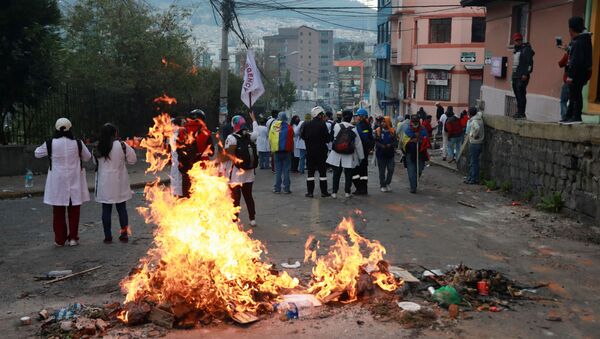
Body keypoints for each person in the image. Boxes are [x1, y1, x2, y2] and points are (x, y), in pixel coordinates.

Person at [34, 118, 92, 246]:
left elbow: (37, 153)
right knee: (74, 210)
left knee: (58, 211)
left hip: (58, 182)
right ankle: (73, 238)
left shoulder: (50, 144)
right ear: (70, 129)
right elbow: (88, 157)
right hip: (74, 180)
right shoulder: (78, 143)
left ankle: (60, 239)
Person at [94, 123, 137, 243]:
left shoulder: (98, 146)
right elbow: (133, 160)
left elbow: (95, 162)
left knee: (106, 209)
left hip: (104, 183)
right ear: (115, 133)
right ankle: (124, 234)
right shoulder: (122, 145)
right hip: (119, 182)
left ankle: (107, 236)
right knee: (121, 208)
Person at [224, 113, 259, 226]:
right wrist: (253, 119)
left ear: (233, 125)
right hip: (249, 173)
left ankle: (234, 220)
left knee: (236, 198)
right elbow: (257, 132)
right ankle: (252, 219)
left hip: (236, 174)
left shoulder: (231, 138)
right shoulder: (250, 136)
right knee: (248, 196)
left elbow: (228, 155)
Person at [562, 16, 593, 125]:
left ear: (571, 29)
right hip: (583, 72)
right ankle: (569, 115)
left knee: (575, 94)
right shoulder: (583, 40)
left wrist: (570, 76)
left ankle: (576, 116)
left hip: (578, 73)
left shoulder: (579, 42)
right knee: (573, 94)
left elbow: (575, 61)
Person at [327, 110, 364, 198]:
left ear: (342, 116)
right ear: (351, 118)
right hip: (349, 155)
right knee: (348, 174)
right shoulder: (354, 128)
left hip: (337, 154)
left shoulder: (336, 126)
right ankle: (347, 192)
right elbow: (358, 144)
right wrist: (361, 156)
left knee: (336, 174)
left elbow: (331, 139)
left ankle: (334, 192)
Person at [178, 109, 214, 198]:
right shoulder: (206, 133)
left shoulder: (182, 131)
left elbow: (177, 149)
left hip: (186, 167)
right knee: (201, 197)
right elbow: (211, 152)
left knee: (187, 195)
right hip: (202, 168)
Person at [301, 106, 331, 198]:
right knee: (322, 173)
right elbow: (327, 139)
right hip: (321, 153)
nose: (323, 116)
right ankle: (324, 192)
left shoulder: (306, 124)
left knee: (310, 173)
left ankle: (310, 192)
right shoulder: (322, 124)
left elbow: (302, 136)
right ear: (319, 115)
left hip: (310, 152)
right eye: (322, 114)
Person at [401, 115, 430, 193]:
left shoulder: (423, 129)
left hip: (421, 154)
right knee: (411, 171)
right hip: (410, 154)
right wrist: (411, 140)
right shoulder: (407, 130)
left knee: (419, 169)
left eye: (416, 122)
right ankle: (413, 187)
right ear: (411, 122)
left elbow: (426, 140)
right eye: (413, 122)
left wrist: (420, 139)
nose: (415, 123)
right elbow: (403, 142)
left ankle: (415, 181)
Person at [269, 112, 294, 194]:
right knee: (286, 170)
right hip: (287, 152)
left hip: (277, 151)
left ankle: (277, 189)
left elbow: (271, 138)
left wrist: (272, 149)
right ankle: (286, 189)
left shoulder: (275, 127)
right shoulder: (289, 127)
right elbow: (292, 139)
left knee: (278, 171)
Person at [511, 32, 535, 119]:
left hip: (522, 76)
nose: (517, 42)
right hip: (515, 76)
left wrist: (526, 73)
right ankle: (519, 112)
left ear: (521, 40)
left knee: (521, 94)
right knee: (517, 95)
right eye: (516, 40)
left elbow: (530, 63)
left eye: (519, 40)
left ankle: (522, 113)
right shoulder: (516, 50)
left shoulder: (526, 49)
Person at [353, 108, 374, 195]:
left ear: (361, 116)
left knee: (357, 170)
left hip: (361, 150)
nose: (356, 117)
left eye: (358, 115)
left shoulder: (363, 125)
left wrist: (367, 148)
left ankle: (360, 188)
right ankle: (363, 189)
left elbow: (365, 138)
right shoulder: (366, 124)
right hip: (364, 150)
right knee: (363, 171)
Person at [375, 116, 397, 192]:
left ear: (388, 122)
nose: (382, 123)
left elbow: (395, 142)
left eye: (384, 122)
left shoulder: (393, 131)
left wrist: (390, 145)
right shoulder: (378, 130)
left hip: (390, 154)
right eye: (382, 122)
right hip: (381, 154)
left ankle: (388, 183)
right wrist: (381, 146)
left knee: (391, 169)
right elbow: (376, 141)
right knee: (382, 171)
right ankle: (382, 185)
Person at [465, 107, 484, 184]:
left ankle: (473, 178)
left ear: (470, 113)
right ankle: (471, 177)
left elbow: (476, 128)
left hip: (474, 143)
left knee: (473, 162)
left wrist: (472, 134)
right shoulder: (479, 119)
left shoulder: (474, 121)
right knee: (474, 161)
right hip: (479, 142)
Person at [169, 117, 184, 196]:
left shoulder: (173, 136)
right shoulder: (177, 136)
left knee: (176, 183)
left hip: (175, 163)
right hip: (178, 163)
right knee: (178, 183)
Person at [557, 46, 571, 122]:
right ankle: (571, 117)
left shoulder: (568, 56)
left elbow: (560, 64)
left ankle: (565, 117)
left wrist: (566, 53)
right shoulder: (581, 55)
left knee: (563, 101)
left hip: (567, 81)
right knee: (573, 101)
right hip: (577, 82)